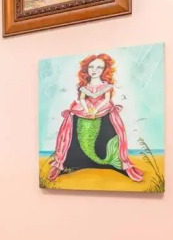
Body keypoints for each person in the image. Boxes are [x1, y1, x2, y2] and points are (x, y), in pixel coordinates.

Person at [49, 54, 143, 182]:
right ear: (86, 69)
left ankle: (112, 161)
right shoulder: (84, 87)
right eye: (91, 67)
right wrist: (87, 110)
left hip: (102, 109)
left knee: (110, 127)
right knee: (72, 121)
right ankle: (69, 162)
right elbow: (82, 99)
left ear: (104, 70)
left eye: (99, 67)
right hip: (85, 109)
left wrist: (96, 110)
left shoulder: (106, 86)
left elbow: (106, 100)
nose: (94, 70)